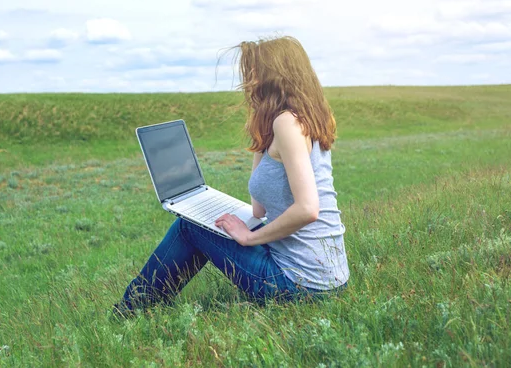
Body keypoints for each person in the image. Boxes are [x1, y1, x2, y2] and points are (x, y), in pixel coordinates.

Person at [113, 36, 349, 317]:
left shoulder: (286, 122)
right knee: (209, 224)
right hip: (330, 279)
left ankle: (130, 312)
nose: (247, 83)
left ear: (273, 76)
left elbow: (308, 209)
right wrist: (260, 139)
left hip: (300, 283)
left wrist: (249, 238)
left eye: (252, 72)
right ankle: (142, 307)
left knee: (190, 226)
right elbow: (260, 209)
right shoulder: (307, 118)